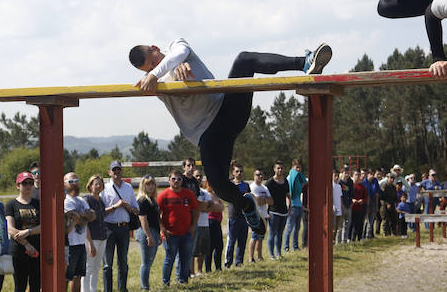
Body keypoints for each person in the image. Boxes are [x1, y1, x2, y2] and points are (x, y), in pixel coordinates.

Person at [130, 38, 332, 236]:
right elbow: (165, 70)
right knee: (219, 185)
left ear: (155, 48)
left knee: (244, 60)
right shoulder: (155, 81)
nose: (153, 70)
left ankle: (305, 62)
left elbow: (179, 55)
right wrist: (159, 74)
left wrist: (160, 71)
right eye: (148, 70)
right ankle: (246, 205)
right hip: (206, 134)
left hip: (227, 110)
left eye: (153, 63)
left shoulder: (177, 47)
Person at [5, 171, 41, 292]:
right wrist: (26, 243)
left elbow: (44, 226)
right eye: (24, 183)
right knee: (20, 284)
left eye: (30, 183)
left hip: (37, 249)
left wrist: (28, 232)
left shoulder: (38, 204)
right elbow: (10, 229)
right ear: (17, 185)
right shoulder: (11, 205)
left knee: (35, 283)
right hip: (19, 249)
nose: (28, 186)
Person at [100, 160, 139, 292]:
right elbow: (100, 212)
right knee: (107, 263)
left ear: (122, 171)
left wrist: (128, 207)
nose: (117, 172)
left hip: (124, 228)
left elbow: (136, 209)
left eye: (119, 169)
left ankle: (123, 289)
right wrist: (115, 207)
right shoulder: (104, 188)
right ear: (109, 172)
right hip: (109, 228)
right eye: (114, 170)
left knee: (123, 261)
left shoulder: (128, 188)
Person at [157, 169, 198, 285]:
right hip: (170, 234)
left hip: (186, 233)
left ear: (182, 180)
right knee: (169, 258)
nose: (176, 181)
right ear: (169, 180)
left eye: (179, 179)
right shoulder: (163, 195)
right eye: (173, 179)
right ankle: (165, 282)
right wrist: (162, 229)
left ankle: (183, 280)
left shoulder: (188, 194)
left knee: (186, 258)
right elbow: (156, 214)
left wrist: (193, 226)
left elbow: (195, 210)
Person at [62, 172, 94, 292]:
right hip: (70, 243)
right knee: (66, 276)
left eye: (76, 180)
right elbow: (79, 219)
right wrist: (84, 217)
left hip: (81, 242)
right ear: (64, 183)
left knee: (78, 275)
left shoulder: (81, 200)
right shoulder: (65, 201)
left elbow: (92, 216)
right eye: (71, 181)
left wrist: (81, 216)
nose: (74, 183)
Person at [135, 175, 162, 290]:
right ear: (143, 186)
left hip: (154, 231)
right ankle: (144, 287)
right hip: (146, 232)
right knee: (146, 262)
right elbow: (143, 219)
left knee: (150, 261)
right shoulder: (143, 200)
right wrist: (149, 236)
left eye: (152, 184)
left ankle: (145, 285)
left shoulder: (153, 200)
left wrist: (158, 234)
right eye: (148, 184)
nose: (150, 186)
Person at [82, 175, 107, 292]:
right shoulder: (87, 200)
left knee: (96, 267)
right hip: (92, 238)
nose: (98, 186)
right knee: (88, 267)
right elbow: (85, 224)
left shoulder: (101, 201)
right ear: (90, 186)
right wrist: (90, 242)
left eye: (100, 184)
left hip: (102, 237)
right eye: (95, 184)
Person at [224, 162, 250, 267]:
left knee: (242, 241)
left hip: (244, 216)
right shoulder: (230, 184)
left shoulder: (246, 185)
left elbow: (249, 198)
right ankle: (228, 263)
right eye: (237, 171)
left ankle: (239, 262)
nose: (239, 173)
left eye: (241, 171)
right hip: (233, 216)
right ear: (233, 173)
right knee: (231, 241)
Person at [265, 161, 290, 261]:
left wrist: (290, 207)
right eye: (278, 168)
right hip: (273, 212)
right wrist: (266, 212)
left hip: (283, 211)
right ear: (274, 169)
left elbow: (288, 195)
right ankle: (272, 255)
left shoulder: (285, 181)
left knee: (280, 234)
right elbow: (265, 197)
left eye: (282, 168)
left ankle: (279, 253)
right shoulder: (270, 183)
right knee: (272, 233)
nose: (280, 170)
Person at [284, 159, 307, 252]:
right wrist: (289, 206)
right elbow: (287, 194)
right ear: (292, 167)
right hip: (292, 206)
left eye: (300, 167)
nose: (298, 169)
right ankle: (286, 246)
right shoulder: (290, 178)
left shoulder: (299, 178)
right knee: (289, 227)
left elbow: (304, 183)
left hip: (299, 205)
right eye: (297, 167)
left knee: (297, 228)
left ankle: (295, 246)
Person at [192, 171, 214, 273]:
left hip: (205, 224)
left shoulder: (205, 192)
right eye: (196, 176)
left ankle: (199, 271)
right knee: (193, 250)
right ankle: (191, 272)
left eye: (200, 176)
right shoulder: (191, 192)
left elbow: (210, 207)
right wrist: (203, 206)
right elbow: (194, 207)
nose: (198, 178)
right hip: (194, 224)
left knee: (202, 250)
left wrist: (201, 206)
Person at [248, 169, 271, 263]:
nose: (260, 176)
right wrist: (264, 200)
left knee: (261, 237)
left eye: (262, 174)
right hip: (256, 216)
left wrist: (262, 200)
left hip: (264, 215)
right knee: (254, 236)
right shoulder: (252, 187)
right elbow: (256, 201)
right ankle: (250, 258)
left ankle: (259, 256)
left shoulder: (264, 188)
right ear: (254, 176)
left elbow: (271, 201)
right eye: (258, 174)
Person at [205, 181, 224, 273]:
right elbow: (214, 208)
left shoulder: (216, 195)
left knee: (219, 246)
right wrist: (218, 207)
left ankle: (218, 267)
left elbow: (221, 208)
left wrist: (218, 207)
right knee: (210, 247)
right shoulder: (207, 195)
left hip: (217, 222)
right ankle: (208, 269)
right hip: (211, 222)